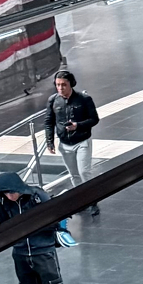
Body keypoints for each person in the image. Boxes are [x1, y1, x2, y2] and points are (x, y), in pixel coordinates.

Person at [0, 170, 81, 284]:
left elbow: (55, 217)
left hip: (43, 250)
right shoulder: (3, 202)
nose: (10, 196)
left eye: (12, 192)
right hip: (20, 253)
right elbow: (5, 225)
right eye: (6, 193)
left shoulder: (37, 196)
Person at [44, 69, 102, 215]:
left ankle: (93, 200)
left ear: (71, 84)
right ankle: (82, 200)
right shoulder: (53, 100)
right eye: (58, 85)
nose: (60, 88)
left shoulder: (84, 99)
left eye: (64, 85)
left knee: (84, 172)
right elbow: (49, 122)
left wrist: (78, 125)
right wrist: (49, 141)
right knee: (74, 174)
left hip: (82, 141)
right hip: (64, 144)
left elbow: (94, 119)